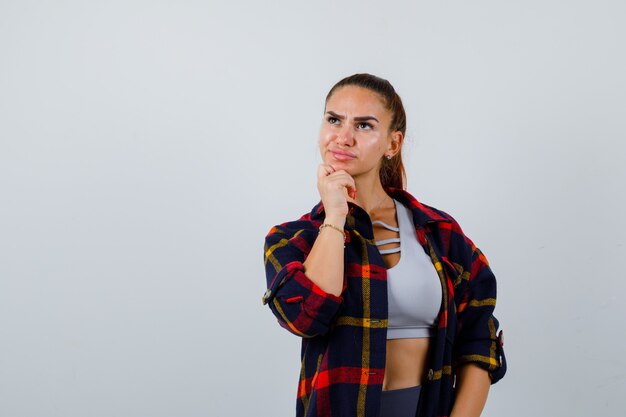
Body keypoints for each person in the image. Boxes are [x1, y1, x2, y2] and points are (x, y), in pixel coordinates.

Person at [262, 73, 506, 417]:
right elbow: (306, 318)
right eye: (334, 120)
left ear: (393, 144)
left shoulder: (439, 232)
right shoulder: (293, 239)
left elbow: (479, 339)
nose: (343, 138)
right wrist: (334, 213)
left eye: (364, 126)